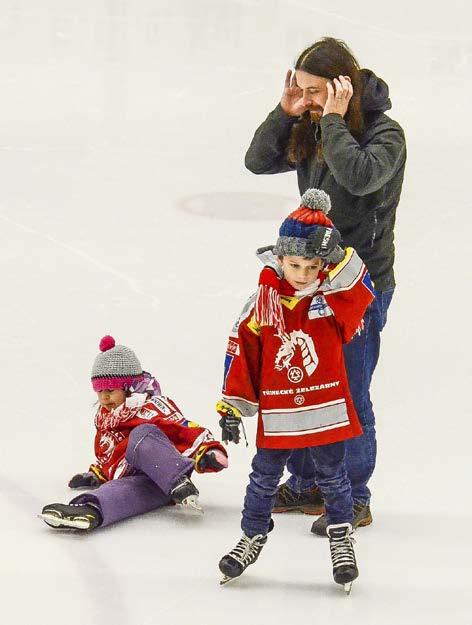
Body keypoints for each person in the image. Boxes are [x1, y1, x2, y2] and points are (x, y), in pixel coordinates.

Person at [244, 37, 406, 535]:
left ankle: (354, 495)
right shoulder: (314, 125)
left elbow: (358, 178)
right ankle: (312, 483)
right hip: (307, 283)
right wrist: (284, 110)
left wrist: (332, 120)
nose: (308, 100)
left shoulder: (386, 134)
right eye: (302, 90)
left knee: (350, 391)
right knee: (304, 385)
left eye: (314, 91)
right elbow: (257, 161)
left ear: (343, 87)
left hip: (358, 286)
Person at [216, 189, 374, 591]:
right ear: (280, 259)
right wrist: (232, 406)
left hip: (325, 409)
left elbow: (361, 290)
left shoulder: (332, 299)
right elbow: (242, 351)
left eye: (312, 265)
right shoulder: (263, 303)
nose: (302, 274)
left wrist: (339, 255)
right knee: (263, 478)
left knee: (334, 479)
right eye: (294, 264)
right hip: (280, 411)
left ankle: (341, 537)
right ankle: (251, 535)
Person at [39, 335, 228, 531]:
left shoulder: (151, 407)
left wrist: (208, 453)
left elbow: (182, 429)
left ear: (128, 387)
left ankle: (178, 482)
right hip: (150, 486)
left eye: (110, 390)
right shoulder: (106, 417)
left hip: (164, 473)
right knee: (122, 491)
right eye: (99, 392)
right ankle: (91, 511)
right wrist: (98, 474)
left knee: (141, 435)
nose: (104, 397)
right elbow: (109, 451)